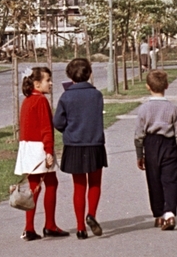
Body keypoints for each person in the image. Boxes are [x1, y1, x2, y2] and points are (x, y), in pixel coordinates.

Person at [53, 57, 107, 239]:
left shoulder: (66, 96)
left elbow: (58, 122)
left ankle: (80, 227)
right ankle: (91, 213)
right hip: (94, 143)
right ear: (89, 74)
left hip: (74, 144)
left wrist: (68, 129)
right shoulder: (97, 95)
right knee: (95, 182)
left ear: (70, 75)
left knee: (79, 186)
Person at [14, 67, 66, 240]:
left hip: (27, 147)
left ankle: (29, 227)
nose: (51, 83)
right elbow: (46, 129)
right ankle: (49, 224)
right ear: (37, 83)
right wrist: (49, 151)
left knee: (33, 187)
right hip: (40, 148)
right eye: (48, 80)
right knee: (51, 184)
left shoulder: (27, 100)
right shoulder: (41, 101)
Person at [133, 68, 177, 230]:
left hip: (151, 145)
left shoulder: (144, 109)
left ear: (147, 86)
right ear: (167, 86)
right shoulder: (173, 108)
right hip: (169, 145)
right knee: (170, 180)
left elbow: (138, 134)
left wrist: (139, 154)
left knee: (153, 180)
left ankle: (158, 215)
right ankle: (169, 213)